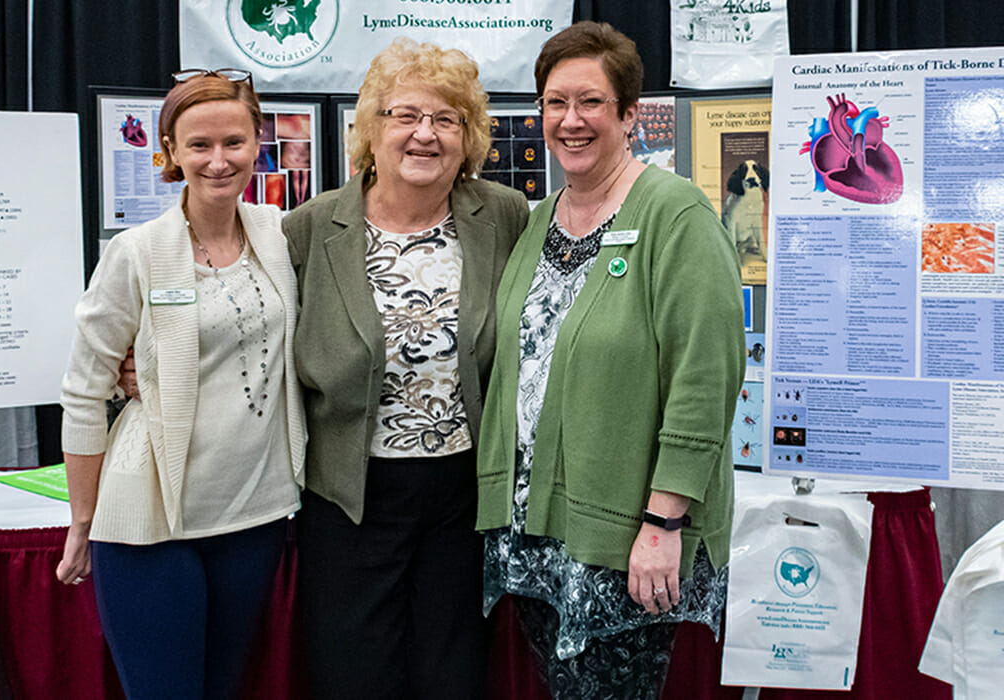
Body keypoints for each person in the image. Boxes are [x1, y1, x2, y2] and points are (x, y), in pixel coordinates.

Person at [475, 22, 745, 699]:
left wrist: (662, 522)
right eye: (555, 102)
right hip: (537, 534)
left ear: (629, 115)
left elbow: (705, 377)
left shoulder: (674, 214)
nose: (571, 120)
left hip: (628, 534)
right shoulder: (540, 221)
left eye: (591, 102)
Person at [283, 37, 529, 700]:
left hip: (463, 494)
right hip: (350, 495)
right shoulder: (308, 230)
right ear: (372, 129)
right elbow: (248, 323)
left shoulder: (501, 216)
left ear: (469, 136)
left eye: (446, 120)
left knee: (453, 671)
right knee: (356, 673)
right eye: (405, 116)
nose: (425, 134)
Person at [56, 68, 305, 700]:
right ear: (169, 150)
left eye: (234, 142)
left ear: (258, 144)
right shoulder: (137, 252)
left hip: (255, 514)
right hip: (150, 522)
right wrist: (82, 520)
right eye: (198, 145)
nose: (218, 161)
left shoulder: (280, 236)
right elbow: (85, 389)